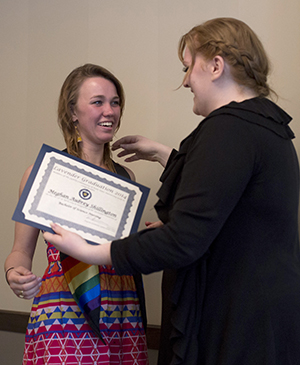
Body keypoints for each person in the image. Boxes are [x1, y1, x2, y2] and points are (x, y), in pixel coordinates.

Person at [44, 18, 300, 365]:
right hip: (264, 319)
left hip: (235, 325)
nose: (185, 81)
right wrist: (170, 156)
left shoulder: (228, 130)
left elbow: (185, 239)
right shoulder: (267, 127)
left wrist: (93, 252)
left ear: (215, 65)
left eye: (187, 66)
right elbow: (231, 207)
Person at [4, 64, 149, 365]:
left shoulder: (127, 178)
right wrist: (14, 273)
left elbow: (128, 252)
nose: (109, 111)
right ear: (72, 112)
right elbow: (20, 252)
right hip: (64, 313)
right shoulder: (43, 173)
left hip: (121, 311)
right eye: (97, 102)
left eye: (115, 102)